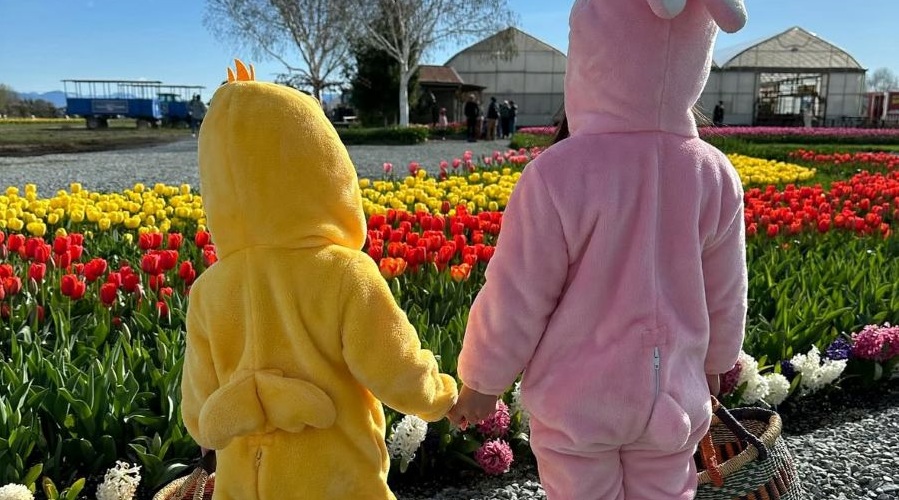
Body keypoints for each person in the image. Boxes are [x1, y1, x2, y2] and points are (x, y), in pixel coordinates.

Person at [448, 0, 749, 499]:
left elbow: (517, 294)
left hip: (577, 404)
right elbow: (726, 291)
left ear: (591, 53)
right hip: (674, 399)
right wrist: (716, 363)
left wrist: (483, 380)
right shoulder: (714, 174)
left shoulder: (559, 173)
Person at [180, 60, 458, 499]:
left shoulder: (210, 290)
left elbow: (198, 413)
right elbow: (394, 367)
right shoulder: (344, 274)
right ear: (320, 163)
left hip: (242, 484)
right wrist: (440, 397)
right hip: (336, 477)